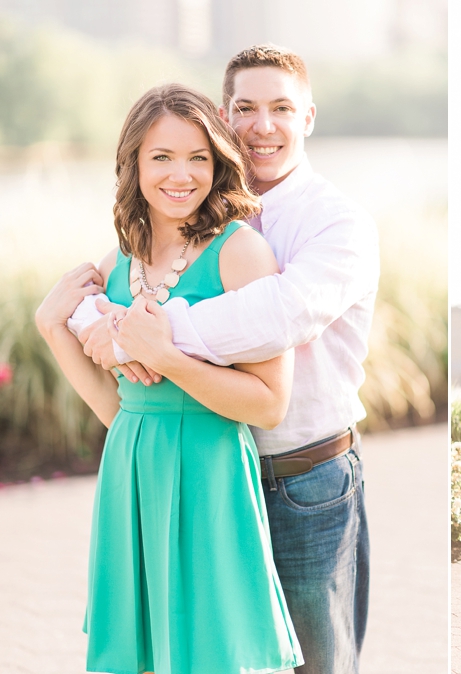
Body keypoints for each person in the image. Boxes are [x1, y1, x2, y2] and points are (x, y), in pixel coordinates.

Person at [63, 44, 379, 674]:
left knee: (317, 663)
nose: (263, 125)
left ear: (308, 116)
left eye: (281, 108)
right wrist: (75, 317)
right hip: (201, 474)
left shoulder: (332, 223)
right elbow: (100, 299)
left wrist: (138, 336)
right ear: (223, 116)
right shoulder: (182, 222)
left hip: (301, 481)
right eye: (245, 108)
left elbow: (279, 315)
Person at [35, 84, 303, 673]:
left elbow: (269, 404)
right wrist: (53, 328)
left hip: (211, 475)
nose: (181, 175)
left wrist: (171, 356)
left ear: (218, 164)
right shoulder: (116, 264)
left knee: (211, 654)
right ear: (133, 162)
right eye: (162, 157)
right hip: (130, 469)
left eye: (198, 158)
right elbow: (120, 410)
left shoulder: (241, 254)